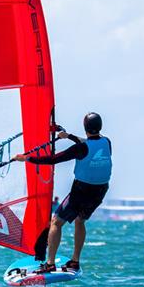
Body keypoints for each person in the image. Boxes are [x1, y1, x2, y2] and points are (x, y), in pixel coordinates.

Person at [14, 112, 112, 273]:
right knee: (80, 221)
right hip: (100, 190)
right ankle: (75, 261)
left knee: (56, 222)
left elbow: (54, 159)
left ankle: (50, 263)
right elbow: (90, 142)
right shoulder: (106, 142)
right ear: (99, 127)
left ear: (85, 127)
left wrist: (27, 158)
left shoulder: (80, 148)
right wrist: (69, 136)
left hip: (82, 190)